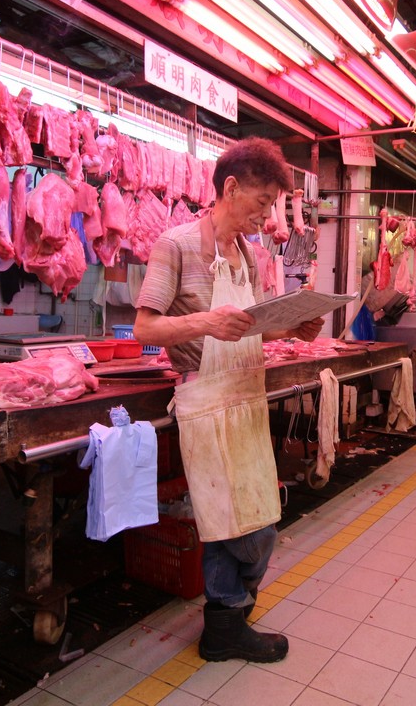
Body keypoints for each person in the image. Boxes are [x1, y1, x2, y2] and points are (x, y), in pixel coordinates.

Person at [133, 137, 323, 664]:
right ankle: (231, 615)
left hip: (245, 395)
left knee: (249, 514)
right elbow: (144, 327)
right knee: (241, 527)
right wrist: (206, 323)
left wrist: (295, 327)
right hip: (204, 396)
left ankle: (225, 626)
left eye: (272, 205)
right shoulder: (174, 244)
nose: (266, 215)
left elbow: (251, 325)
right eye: (262, 202)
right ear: (231, 188)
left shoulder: (248, 255)